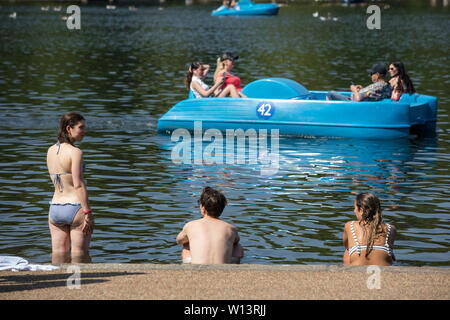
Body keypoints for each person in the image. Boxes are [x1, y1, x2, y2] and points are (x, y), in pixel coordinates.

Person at [46, 112, 94, 264]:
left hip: (55, 209)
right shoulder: (76, 152)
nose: (84, 131)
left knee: (58, 256)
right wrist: (88, 212)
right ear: (69, 128)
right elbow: (78, 184)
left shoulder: (50, 150)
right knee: (80, 255)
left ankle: (59, 283)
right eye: (81, 128)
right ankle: (79, 285)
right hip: (75, 208)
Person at [176, 186, 244, 264]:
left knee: (186, 245)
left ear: (203, 209)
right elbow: (236, 241)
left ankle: (187, 265)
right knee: (237, 246)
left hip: (197, 268)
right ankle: (236, 267)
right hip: (224, 269)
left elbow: (179, 240)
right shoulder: (231, 228)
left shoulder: (190, 225)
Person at [342, 192, 396, 266]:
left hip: (356, 270)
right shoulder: (391, 228)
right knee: (389, 253)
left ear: (361, 210)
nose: (354, 211)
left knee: (348, 251)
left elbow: (347, 246)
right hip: (384, 271)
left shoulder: (350, 225)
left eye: (354, 208)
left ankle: (346, 272)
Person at [327, 63, 392, 102]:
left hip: (354, 104)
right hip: (364, 103)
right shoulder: (387, 85)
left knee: (330, 94)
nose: (371, 76)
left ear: (377, 74)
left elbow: (358, 99)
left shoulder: (376, 86)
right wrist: (362, 89)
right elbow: (371, 94)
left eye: (371, 73)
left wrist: (354, 90)